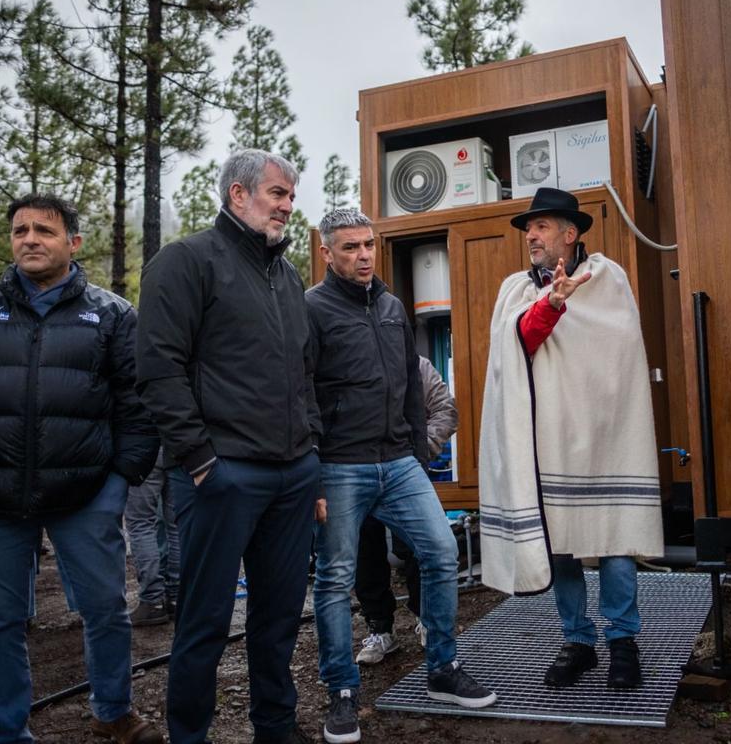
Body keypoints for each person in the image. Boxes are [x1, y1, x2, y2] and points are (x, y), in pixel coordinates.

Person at [0, 195, 163, 743]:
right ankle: (5, 731)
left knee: (106, 610)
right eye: (20, 231)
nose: (30, 239)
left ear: (73, 243)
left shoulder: (111, 315)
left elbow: (138, 404)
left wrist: (117, 483)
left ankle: (113, 712)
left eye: (44, 230)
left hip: (85, 494)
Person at [136, 149, 321, 744]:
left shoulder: (288, 276)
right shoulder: (184, 262)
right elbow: (158, 369)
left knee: (278, 620)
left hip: (292, 477)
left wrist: (311, 458)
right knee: (205, 622)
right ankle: (188, 736)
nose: (288, 206)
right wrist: (200, 460)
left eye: (291, 196)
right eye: (276, 193)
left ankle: (276, 727)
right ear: (238, 195)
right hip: (221, 476)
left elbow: (304, 373)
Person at [308, 208, 496, 744]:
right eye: (350, 247)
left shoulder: (392, 308)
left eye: (368, 245)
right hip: (339, 465)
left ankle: (441, 669)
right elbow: (299, 394)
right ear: (327, 253)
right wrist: (312, 473)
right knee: (335, 577)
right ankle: (342, 692)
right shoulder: (310, 311)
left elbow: (414, 390)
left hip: (398, 462)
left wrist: (414, 450)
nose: (363, 255)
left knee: (440, 552)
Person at [478, 187, 664, 689]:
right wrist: (552, 304)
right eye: (528, 229)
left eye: (540, 227)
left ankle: (623, 641)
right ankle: (578, 639)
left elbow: (618, 354)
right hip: (548, 439)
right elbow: (518, 348)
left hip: (604, 433)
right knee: (559, 542)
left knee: (614, 537)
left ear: (570, 233)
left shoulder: (605, 279)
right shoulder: (517, 290)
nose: (531, 237)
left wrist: (566, 297)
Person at [353, 355, 458, 664]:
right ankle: (379, 628)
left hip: (405, 471)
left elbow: (445, 410)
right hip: (357, 468)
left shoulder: (416, 365)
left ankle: (426, 619)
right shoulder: (344, 359)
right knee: (364, 548)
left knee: (418, 547)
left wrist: (418, 452)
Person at [123, 447, 179, 626]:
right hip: (176, 445)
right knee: (177, 526)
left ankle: (152, 600)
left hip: (144, 449)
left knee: (141, 524)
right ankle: (177, 597)